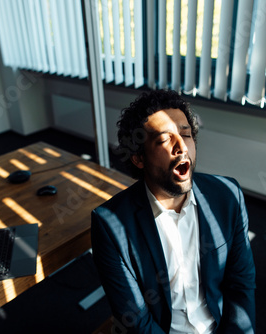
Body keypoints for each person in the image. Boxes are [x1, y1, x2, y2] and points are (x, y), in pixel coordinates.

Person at [91, 89, 256, 334]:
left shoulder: (228, 196)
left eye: (186, 135)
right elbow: (136, 320)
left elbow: (241, 285)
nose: (182, 147)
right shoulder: (111, 224)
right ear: (138, 158)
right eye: (165, 139)